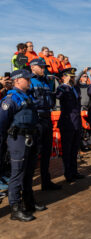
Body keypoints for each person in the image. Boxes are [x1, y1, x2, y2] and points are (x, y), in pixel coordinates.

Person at [0, 69, 46, 221]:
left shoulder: (27, 96)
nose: (29, 81)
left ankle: (29, 203)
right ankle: (15, 208)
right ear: (18, 80)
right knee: (17, 174)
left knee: (29, 172)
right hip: (17, 139)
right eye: (27, 78)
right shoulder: (11, 99)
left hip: (30, 138)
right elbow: (1, 123)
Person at [29, 58, 61, 190]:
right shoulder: (30, 81)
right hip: (37, 119)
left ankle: (46, 182)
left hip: (47, 118)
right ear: (33, 67)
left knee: (47, 152)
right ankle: (28, 189)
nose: (43, 69)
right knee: (34, 154)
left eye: (44, 67)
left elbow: (51, 100)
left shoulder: (46, 82)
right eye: (41, 67)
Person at [56, 68, 85, 182]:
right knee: (67, 150)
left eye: (73, 77)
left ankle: (74, 171)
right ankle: (68, 173)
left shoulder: (75, 88)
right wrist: (64, 84)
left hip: (76, 122)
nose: (72, 78)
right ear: (65, 76)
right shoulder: (62, 88)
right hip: (67, 123)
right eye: (70, 76)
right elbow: (57, 97)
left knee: (74, 149)